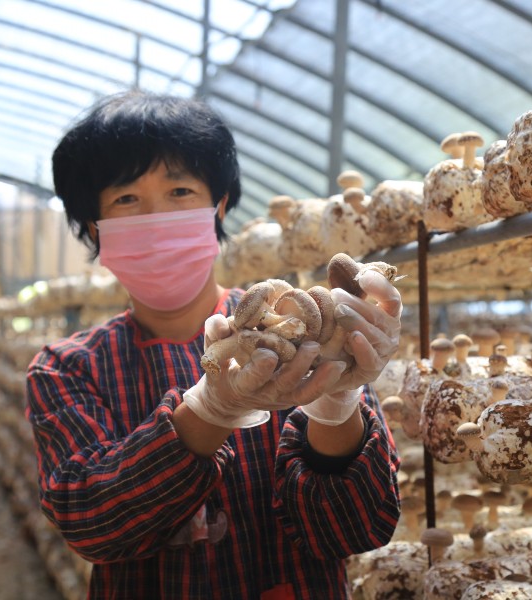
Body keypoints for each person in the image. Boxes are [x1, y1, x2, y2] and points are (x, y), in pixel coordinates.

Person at [26, 90, 403, 599]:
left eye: (180, 191)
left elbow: (354, 530)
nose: (155, 219)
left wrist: (336, 404)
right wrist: (212, 407)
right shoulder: (67, 368)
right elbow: (95, 526)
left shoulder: (299, 326)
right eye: (125, 199)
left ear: (219, 205)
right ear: (95, 226)